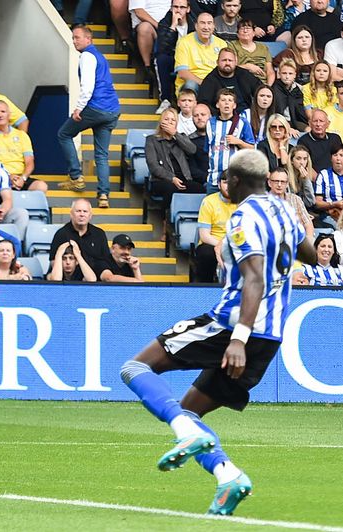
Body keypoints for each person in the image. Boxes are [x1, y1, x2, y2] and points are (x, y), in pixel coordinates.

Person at [119, 148, 314, 516]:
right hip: (270, 335)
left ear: (235, 181)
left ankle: (191, 437)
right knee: (189, 413)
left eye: (227, 178)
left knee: (134, 368)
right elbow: (306, 252)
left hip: (232, 327)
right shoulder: (284, 209)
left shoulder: (241, 217)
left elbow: (254, 279)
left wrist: (238, 338)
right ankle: (229, 477)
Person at [58, 25, 121, 209]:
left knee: (64, 134)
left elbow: (87, 86)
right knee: (101, 155)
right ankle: (103, 195)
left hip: (95, 106)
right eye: (73, 38)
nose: (74, 41)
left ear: (88, 39)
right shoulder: (100, 56)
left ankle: (76, 177)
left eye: (77, 37)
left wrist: (78, 108)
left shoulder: (86, 56)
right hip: (112, 109)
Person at [146, 108, 206, 217]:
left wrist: (175, 134)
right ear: (161, 122)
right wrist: (171, 178)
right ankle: (165, 224)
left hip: (183, 178)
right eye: (166, 119)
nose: (169, 122)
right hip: (162, 180)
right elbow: (153, 166)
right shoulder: (152, 140)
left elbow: (192, 150)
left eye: (173, 120)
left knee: (200, 189)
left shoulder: (181, 137)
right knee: (170, 189)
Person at [0, 100, 47, 192]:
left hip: (20, 177)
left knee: (41, 186)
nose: (0, 115)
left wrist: (23, 178)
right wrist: (8, 177)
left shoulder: (22, 135)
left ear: (9, 115)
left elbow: (29, 162)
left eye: (3, 112)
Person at [207, 89, 256, 192]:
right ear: (217, 104)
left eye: (230, 100)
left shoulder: (243, 122)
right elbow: (207, 148)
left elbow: (253, 148)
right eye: (223, 100)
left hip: (236, 179)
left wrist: (239, 142)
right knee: (212, 207)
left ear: (234, 105)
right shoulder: (210, 123)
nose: (226, 103)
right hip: (213, 179)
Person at [47, 198, 110, 277]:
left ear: (90, 215)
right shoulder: (61, 234)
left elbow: (106, 261)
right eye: (78, 211)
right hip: (67, 279)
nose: (82, 214)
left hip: (93, 280)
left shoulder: (99, 234)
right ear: (71, 214)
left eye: (85, 211)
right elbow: (54, 261)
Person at [155, 0, 196, 112]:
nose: (178, 10)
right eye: (175, 7)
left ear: (188, 9)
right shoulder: (164, 23)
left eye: (182, 7)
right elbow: (163, 47)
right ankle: (165, 100)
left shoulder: (194, 23)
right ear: (171, 8)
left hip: (190, 58)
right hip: (172, 57)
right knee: (161, 60)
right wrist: (173, 26)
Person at [195, 174, 237, 282]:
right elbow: (204, 236)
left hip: (235, 243)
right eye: (225, 182)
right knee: (205, 254)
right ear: (219, 184)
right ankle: (205, 289)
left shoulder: (243, 203)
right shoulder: (209, 202)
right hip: (212, 243)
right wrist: (222, 246)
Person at [174, 13, 228, 94]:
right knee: (190, 84)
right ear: (196, 26)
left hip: (215, 84)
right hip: (193, 84)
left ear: (214, 26)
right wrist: (205, 84)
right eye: (202, 23)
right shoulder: (184, 42)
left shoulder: (222, 44)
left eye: (209, 23)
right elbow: (182, 73)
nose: (206, 27)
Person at [197, 48, 263, 112]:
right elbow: (203, 103)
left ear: (236, 62)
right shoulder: (210, 80)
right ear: (217, 62)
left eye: (230, 60)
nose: (227, 63)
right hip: (221, 117)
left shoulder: (244, 74)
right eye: (224, 60)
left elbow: (261, 89)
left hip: (245, 114)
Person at [269, 167, 315, 240]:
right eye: (276, 181)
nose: (279, 185)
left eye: (283, 182)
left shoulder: (296, 199)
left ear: (287, 184)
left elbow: (308, 224)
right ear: (269, 183)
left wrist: (309, 241)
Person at [229, 20, 274, 86]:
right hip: (242, 82)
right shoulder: (232, 46)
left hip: (262, 83)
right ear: (237, 34)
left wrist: (268, 87)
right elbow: (232, 67)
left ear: (254, 33)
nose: (245, 31)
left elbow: (270, 71)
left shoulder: (263, 47)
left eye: (248, 28)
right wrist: (247, 67)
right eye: (242, 28)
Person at [271, 59, 308, 134]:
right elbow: (274, 113)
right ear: (279, 74)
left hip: (295, 121)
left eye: (290, 73)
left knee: (309, 130)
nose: (287, 76)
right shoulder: (274, 89)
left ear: (295, 75)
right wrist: (287, 127)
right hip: (280, 122)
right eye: (284, 73)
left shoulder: (298, 90)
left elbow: (299, 111)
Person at [130, 0, 171, 67]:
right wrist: (159, 26)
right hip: (149, 26)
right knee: (144, 28)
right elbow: (139, 12)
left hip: (168, 25)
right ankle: (148, 67)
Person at [314, 143, 343, 222]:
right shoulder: (323, 175)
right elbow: (318, 203)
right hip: (330, 215)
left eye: (341, 155)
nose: (338, 158)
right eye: (335, 155)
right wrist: (334, 204)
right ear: (331, 158)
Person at [288, 145, 318, 211]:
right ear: (291, 161)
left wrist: (306, 180)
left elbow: (310, 202)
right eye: (298, 158)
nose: (302, 162)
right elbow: (290, 202)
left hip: (304, 211)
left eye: (305, 159)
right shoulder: (285, 175)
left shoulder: (307, 175)